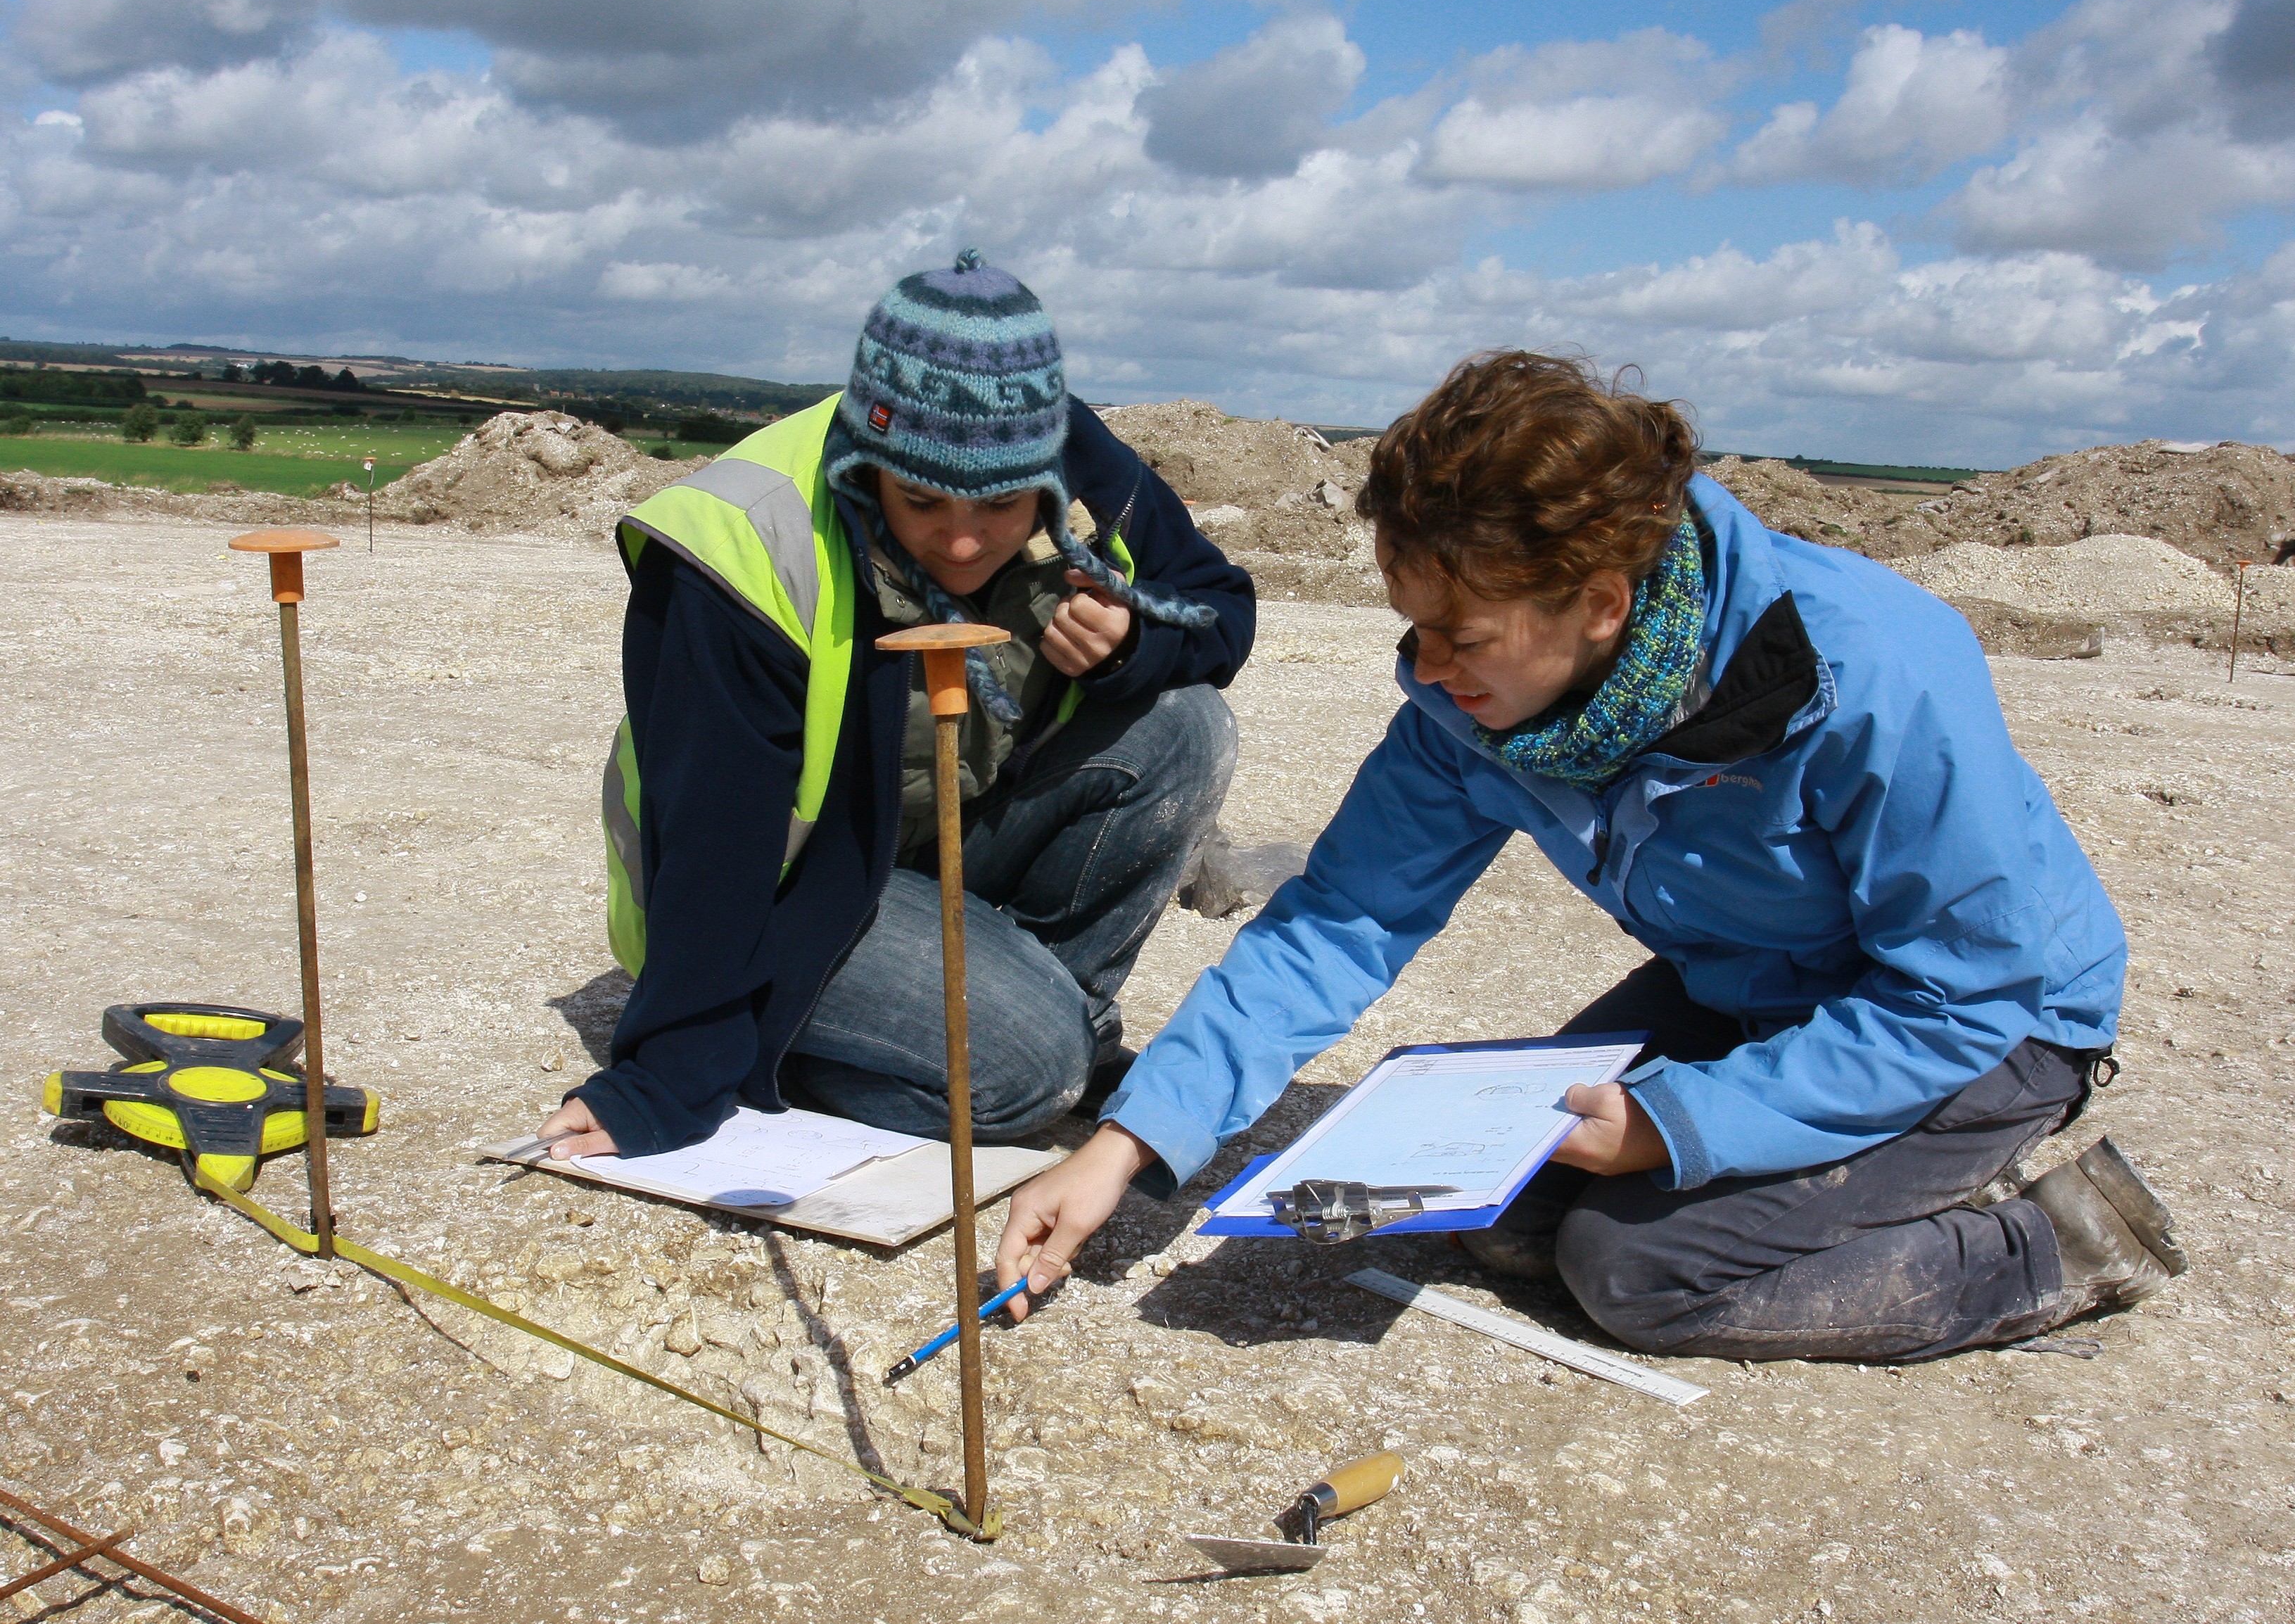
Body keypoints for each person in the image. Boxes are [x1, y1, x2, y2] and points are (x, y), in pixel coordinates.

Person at [997, 350, 2189, 1362]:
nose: (1425, 669)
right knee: (1496, 1214)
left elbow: (1962, 988)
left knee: (1633, 1269)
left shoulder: (1874, 672)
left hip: (1987, 1024)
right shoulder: (1474, 705)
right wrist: (1128, 1145)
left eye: (1460, 637)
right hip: (1749, 987)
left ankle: (2050, 1243)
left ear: (1604, 603)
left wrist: (1681, 1122)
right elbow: (1338, 921)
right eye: (1411, 627)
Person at [540, 251, 1253, 1162]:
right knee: (1031, 1076)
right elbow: (716, 830)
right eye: (919, 501)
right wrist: (673, 1073)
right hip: (785, 891)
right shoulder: (740, 543)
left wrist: (1134, 644)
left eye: (999, 506)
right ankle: (828, 1048)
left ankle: (1031, 1029)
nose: (961, 541)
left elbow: (1221, 607)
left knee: (1185, 726)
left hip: (931, 845)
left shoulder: (1080, 462)